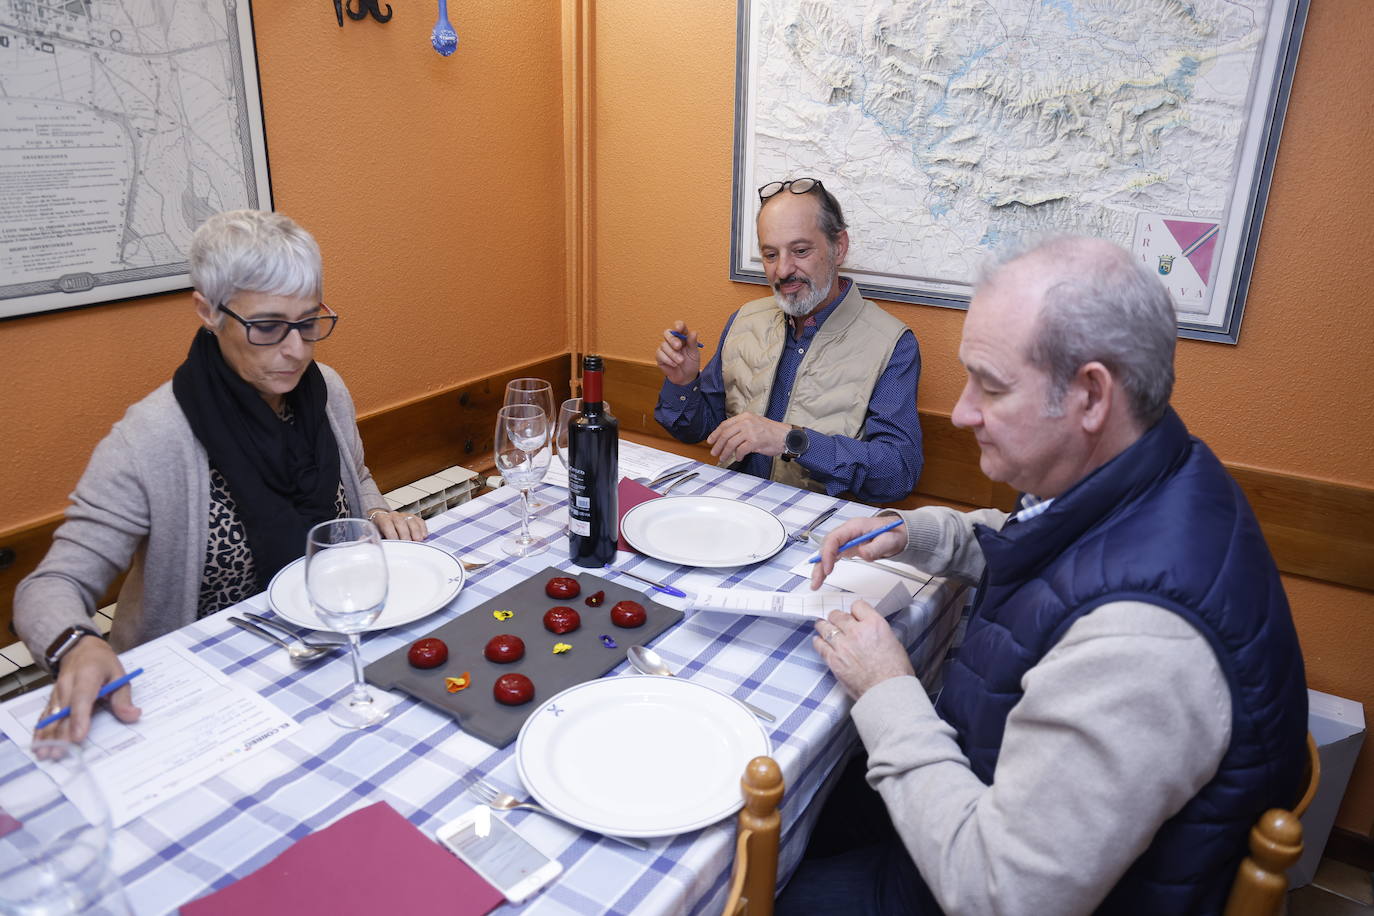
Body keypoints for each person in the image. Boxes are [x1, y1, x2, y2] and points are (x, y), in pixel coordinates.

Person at [780, 236, 1308, 914]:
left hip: (990, 886)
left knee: (756, 879)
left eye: (991, 386)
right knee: (814, 792)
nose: (964, 412)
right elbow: (1056, 549)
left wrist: (888, 688)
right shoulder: (1155, 465)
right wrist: (917, 531)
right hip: (999, 790)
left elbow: (999, 895)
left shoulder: (1142, 647)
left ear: (1090, 395)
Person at [15, 209, 425, 743]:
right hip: (211, 688)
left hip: (331, 645)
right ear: (208, 311)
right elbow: (51, 585)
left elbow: (356, 477)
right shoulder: (153, 437)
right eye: (268, 327)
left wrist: (376, 512)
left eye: (307, 322)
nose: (296, 349)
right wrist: (77, 645)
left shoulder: (328, 392)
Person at [654, 178, 923, 503]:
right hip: (736, 512)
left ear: (839, 247)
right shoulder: (744, 320)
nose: (782, 270)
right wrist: (684, 383)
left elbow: (896, 474)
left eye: (800, 251)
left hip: (817, 529)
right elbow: (702, 429)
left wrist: (793, 440)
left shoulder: (893, 344)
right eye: (770, 254)